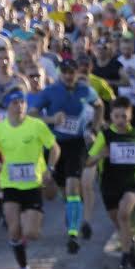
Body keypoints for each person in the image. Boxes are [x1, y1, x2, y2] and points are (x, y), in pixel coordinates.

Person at [0, 91, 59, 269]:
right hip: (10, 185)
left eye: (22, 102)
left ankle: (22, 237)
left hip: (33, 184)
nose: (20, 106)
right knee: (14, 230)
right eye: (15, 102)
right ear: (7, 106)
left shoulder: (36, 126)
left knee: (31, 233)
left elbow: (55, 147)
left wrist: (50, 168)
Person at [30, 60, 102, 253]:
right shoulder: (50, 92)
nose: (68, 76)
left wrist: (95, 127)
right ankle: (73, 212)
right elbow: (32, 115)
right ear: (60, 72)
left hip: (76, 144)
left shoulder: (84, 90)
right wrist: (51, 119)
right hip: (54, 145)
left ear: (76, 72)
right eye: (65, 72)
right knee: (60, 190)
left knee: (72, 185)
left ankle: (73, 233)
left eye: (72, 72)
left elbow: (99, 105)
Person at [84, 96, 135, 269]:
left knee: (124, 214)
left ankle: (124, 260)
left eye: (124, 116)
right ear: (111, 117)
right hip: (109, 184)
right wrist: (101, 155)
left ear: (130, 116)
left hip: (131, 182)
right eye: (117, 116)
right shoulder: (105, 135)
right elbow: (89, 162)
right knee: (119, 222)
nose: (121, 120)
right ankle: (130, 245)